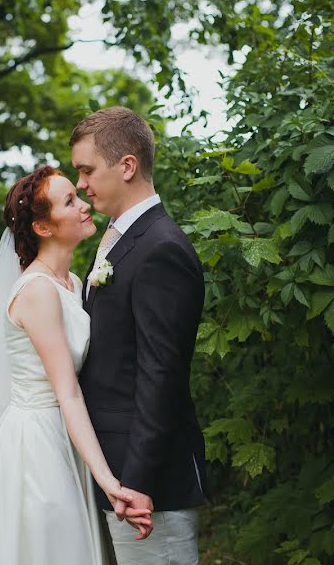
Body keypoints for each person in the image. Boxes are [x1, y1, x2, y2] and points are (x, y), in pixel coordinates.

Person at [0, 165, 153, 565]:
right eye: (70, 201)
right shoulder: (37, 292)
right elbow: (66, 391)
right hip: (37, 444)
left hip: (66, 433)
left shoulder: (72, 282)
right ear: (43, 228)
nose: (84, 206)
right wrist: (109, 481)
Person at [71, 107, 209, 565]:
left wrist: (137, 481)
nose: (81, 185)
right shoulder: (117, 240)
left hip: (146, 484)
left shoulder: (160, 248)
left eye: (87, 170)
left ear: (126, 166)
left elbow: (160, 375)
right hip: (113, 473)